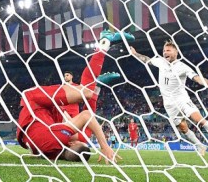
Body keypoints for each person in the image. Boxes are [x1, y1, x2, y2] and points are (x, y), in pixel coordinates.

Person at [16, 31, 130, 162]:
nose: (85, 143)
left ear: (71, 145)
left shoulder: (60, 140)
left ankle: (105, 42)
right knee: (84, 134)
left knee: (85, 93)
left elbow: (87, 115)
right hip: (46, 114)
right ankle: (96, 87)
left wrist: (104, 146)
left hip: (35, 101)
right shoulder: (50, 153)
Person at [130, 39, 208, 156]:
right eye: (164, 50)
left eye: (169, 50)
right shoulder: (160, 62)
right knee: (183, 128)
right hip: (169, 103)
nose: (165, 52)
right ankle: (200, 146)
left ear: (176, 52)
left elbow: (198, 78)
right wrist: (135, 54)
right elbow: (146, 59)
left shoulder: (182, 67)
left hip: (182, 99)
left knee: (199, 120)